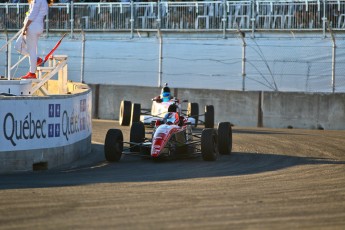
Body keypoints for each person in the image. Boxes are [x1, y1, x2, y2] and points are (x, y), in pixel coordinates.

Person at [15, 0, 53, 79]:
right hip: (35, 26)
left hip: (32, 27)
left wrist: (25, 27)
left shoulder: (38, 0)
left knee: (31, 50)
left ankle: (32, 73)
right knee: (18, 46)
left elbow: (32, 14)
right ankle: (36, 59)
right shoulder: (43, 1)